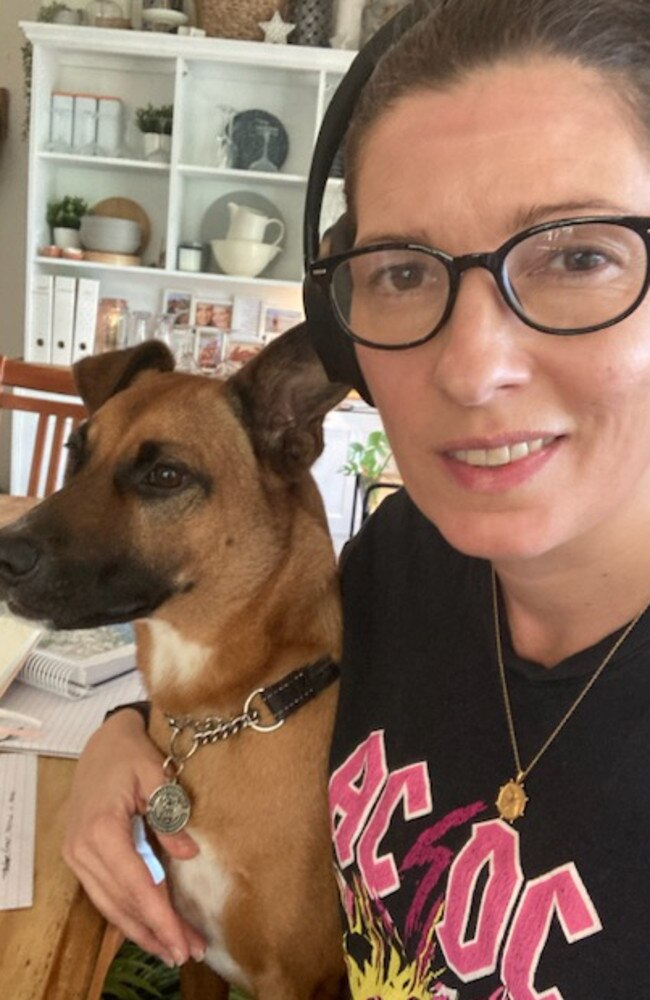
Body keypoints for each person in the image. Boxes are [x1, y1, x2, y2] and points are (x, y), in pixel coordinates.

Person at [63, 0, 650, 992]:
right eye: (402, 271)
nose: (470, 368)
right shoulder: (405, 554)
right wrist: (118, 733)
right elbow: (261, 673)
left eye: (576, 255)